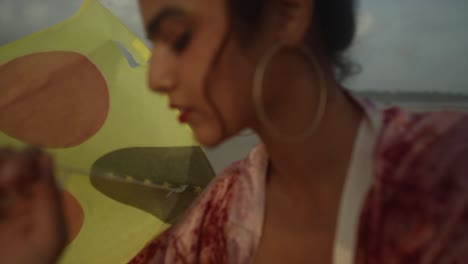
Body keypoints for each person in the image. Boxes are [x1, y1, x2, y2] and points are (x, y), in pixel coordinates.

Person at [1, 0, 468, 263]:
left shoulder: (448, 168)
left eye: (179, 38)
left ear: (287, 12)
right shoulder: (216, 222)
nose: (156, 75)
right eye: (154, 42)